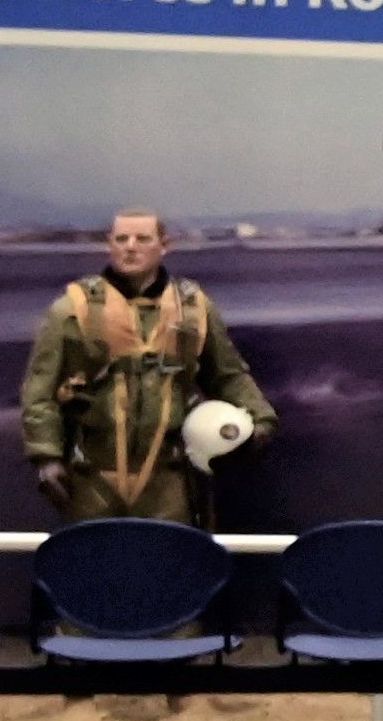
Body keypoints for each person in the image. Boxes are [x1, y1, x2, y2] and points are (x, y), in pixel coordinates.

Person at [17, 206, 269, 519]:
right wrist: (46, 457)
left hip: (170, 475)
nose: (130, 246)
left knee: (171, 559)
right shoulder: (73, 309)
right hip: (92, 474)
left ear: (165, 245)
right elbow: (40, 390)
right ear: (110, 244)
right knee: (93, 558)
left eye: (142, 238)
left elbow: (228, 375)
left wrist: (260, 421)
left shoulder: (192, 309)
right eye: (122, 238)